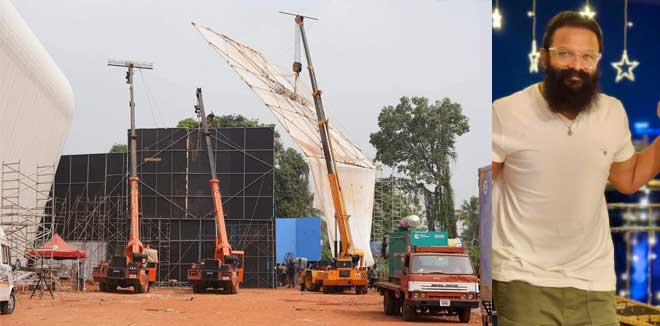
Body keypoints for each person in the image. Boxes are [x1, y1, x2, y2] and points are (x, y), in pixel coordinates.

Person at [493, 11, 660, 325]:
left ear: (597, 62)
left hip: (594, 283)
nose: (576, 66)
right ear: (544, 58)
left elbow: (628, 180)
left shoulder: (612, 113)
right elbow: (484, 189)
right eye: (565, 54)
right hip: (523, 279)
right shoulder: (505, 113)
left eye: (587, 56)